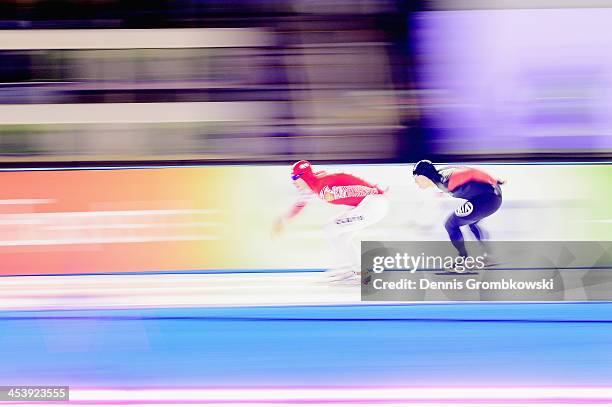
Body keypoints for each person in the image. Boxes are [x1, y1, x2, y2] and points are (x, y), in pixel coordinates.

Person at [273, 160, 389, 281]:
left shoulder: (323, 188)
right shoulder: (314, 185)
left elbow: (352, 187)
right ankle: (358, 270)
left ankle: (347, 268)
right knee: (341, 237)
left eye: (294, 177)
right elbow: (300, 204)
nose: (293, 181)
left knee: (331, 228)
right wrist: (283, 220)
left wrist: (375, 191)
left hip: (373, 204)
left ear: (303, 177)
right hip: (371, 204)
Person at [412, 160, 503, 261]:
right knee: (471, 224)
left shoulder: (445, 180)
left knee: (450, 224)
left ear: (422, 176)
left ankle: (463, 258)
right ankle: (488, 255)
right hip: (489, 198)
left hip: (488, 199)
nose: (416, 183)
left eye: (416, 179)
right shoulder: (439, 178)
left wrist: (492, 180)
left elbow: (471, 172)